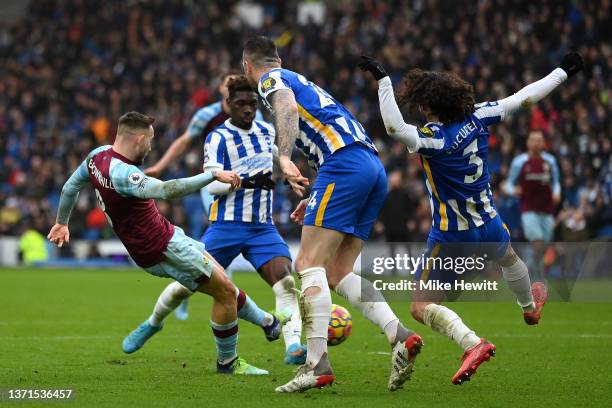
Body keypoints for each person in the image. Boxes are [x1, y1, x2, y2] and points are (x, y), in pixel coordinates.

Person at [360, 52, 584, 384]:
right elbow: (524, 98)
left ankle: (472, 343)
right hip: (488, 221)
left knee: (419, 306)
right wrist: (562, 72)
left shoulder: (434, 139)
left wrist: (382, 81)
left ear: (429, 106)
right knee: (509, 258)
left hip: (452, 235)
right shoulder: (480, 115)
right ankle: (528, 308)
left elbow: (393, 127)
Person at [243, 36, 422, 393]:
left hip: (343, 166)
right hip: (369, 166)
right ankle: (399, 335)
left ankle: (316, 364)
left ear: (247, 65)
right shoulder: (303, 80)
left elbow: (288, 110)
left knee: (307, 263)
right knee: (338, 272)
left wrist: (282, 156)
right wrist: (317, 195)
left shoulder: (270, 81)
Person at [47, 111, 274, 375]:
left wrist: (62, 222)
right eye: (150, 141)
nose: (151, 146)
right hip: (163, 247)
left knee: (222, 279)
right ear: (139, 139)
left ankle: (268, 323)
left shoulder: (97, 156)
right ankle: (228, 362)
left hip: (160, 238)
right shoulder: (123, 173)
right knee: (223, 293)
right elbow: (169, 190)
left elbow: (69, 188)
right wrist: (212, 175)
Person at [123, 76, 306, 365]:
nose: (248, 109)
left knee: (285, 282)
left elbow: (272, 159)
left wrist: (289, 172)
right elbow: (213, 185)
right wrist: (248, 181)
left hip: (261, 227)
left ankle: (293, 346)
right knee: (186, 286)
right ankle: (153, 322)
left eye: (252, 103)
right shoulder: (218, 137)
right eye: (241, 104)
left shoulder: (266, 130)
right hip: (225, 226)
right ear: (228, 105)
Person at [145, 72, 264, 321]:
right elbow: (185, 142)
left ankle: (187, 289)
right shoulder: (206, 115)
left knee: (218, 243)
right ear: (221, 88)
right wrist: (161, 166)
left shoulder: (254, 114)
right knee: (221, 229)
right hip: (215, 183)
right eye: (225, 81)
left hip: (245, 186)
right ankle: (215, 292)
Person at [505, 130, 561, 280]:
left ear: (543, 143)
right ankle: (538, 279)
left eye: (539, 140)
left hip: (547, 210)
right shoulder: (519, 162)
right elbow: (508, 184)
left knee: (543, 246)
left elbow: (556, 182)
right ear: (528, 143)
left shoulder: (550, 161)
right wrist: (513, 190)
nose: (536, 143)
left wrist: (557, 192)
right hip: (528, 209)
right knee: (537, 241)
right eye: (533, 140)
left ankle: (531, 267)